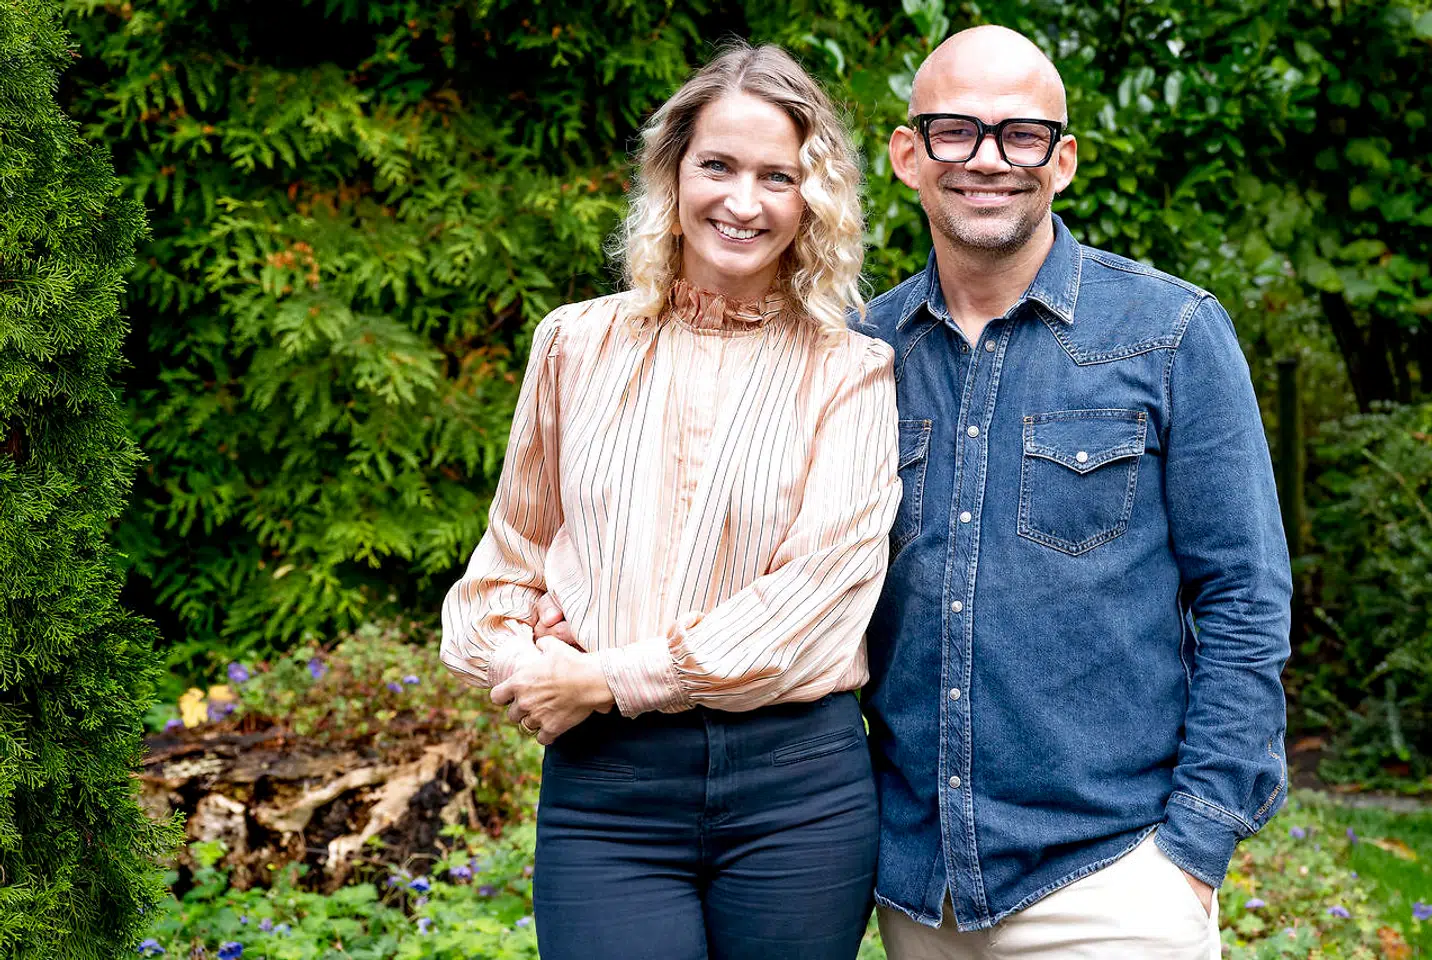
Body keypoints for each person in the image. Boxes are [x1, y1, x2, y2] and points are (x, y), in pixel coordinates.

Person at [438, 41, 901, 960]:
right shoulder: (576, 345)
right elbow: (506, 564)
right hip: (608, 792)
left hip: (797, 793)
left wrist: (605, 677)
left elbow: (810, 603)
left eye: (777, 176)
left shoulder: (854, 371)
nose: (742, 200)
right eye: (717, 165)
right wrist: (523, 661)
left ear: (814, 199)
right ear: (672, 174)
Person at [858, 25, 1292, 960]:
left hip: (1115, 882)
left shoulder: (1171, 332)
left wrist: (1194, 847)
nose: (987, 160)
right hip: (918, 886)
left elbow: (1245, 599)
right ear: (906, 154)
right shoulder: (859, 357)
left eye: (1020, 135)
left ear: (1063, 161)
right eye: (955, 131)